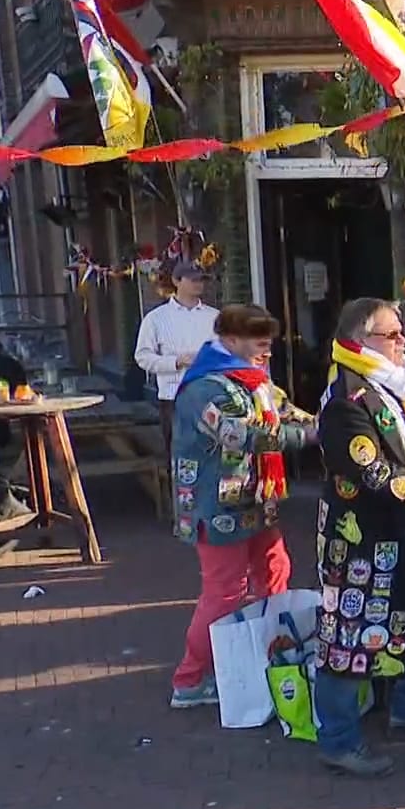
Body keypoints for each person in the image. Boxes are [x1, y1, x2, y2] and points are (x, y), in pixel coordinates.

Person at [312, 298, 405, 777]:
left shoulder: (395, 379)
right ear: (363, 340)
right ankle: (337, 741)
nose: (404, 342)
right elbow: (375, 474)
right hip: (362, 537)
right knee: (348, 635)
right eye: (393, 335)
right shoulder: (345, 399)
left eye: (402, 333)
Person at [167, 304, 316, 709]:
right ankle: (189, 679)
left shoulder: (255, 380)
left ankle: (267, 654)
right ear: (230, 341)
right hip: (215, 506)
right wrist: (313, 435)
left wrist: (330, 418)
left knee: (276, 572)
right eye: (257, 342)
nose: (266, 350)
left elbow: (287, 412)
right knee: (224, 593)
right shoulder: (204, 388)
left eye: (268, 342)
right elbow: (240, 435)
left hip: (255, 499)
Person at [135, 262, 220, 462]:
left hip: (211, 395)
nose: (198, 284)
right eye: (193, 279)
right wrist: (176, 362)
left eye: (201, 279)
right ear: (176, 281)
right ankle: (179, 492)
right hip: (174, 397)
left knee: (214, 453)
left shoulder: (215, 317)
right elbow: (142, 356)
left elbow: (228, 352)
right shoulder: (156, 319)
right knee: (180, 456)